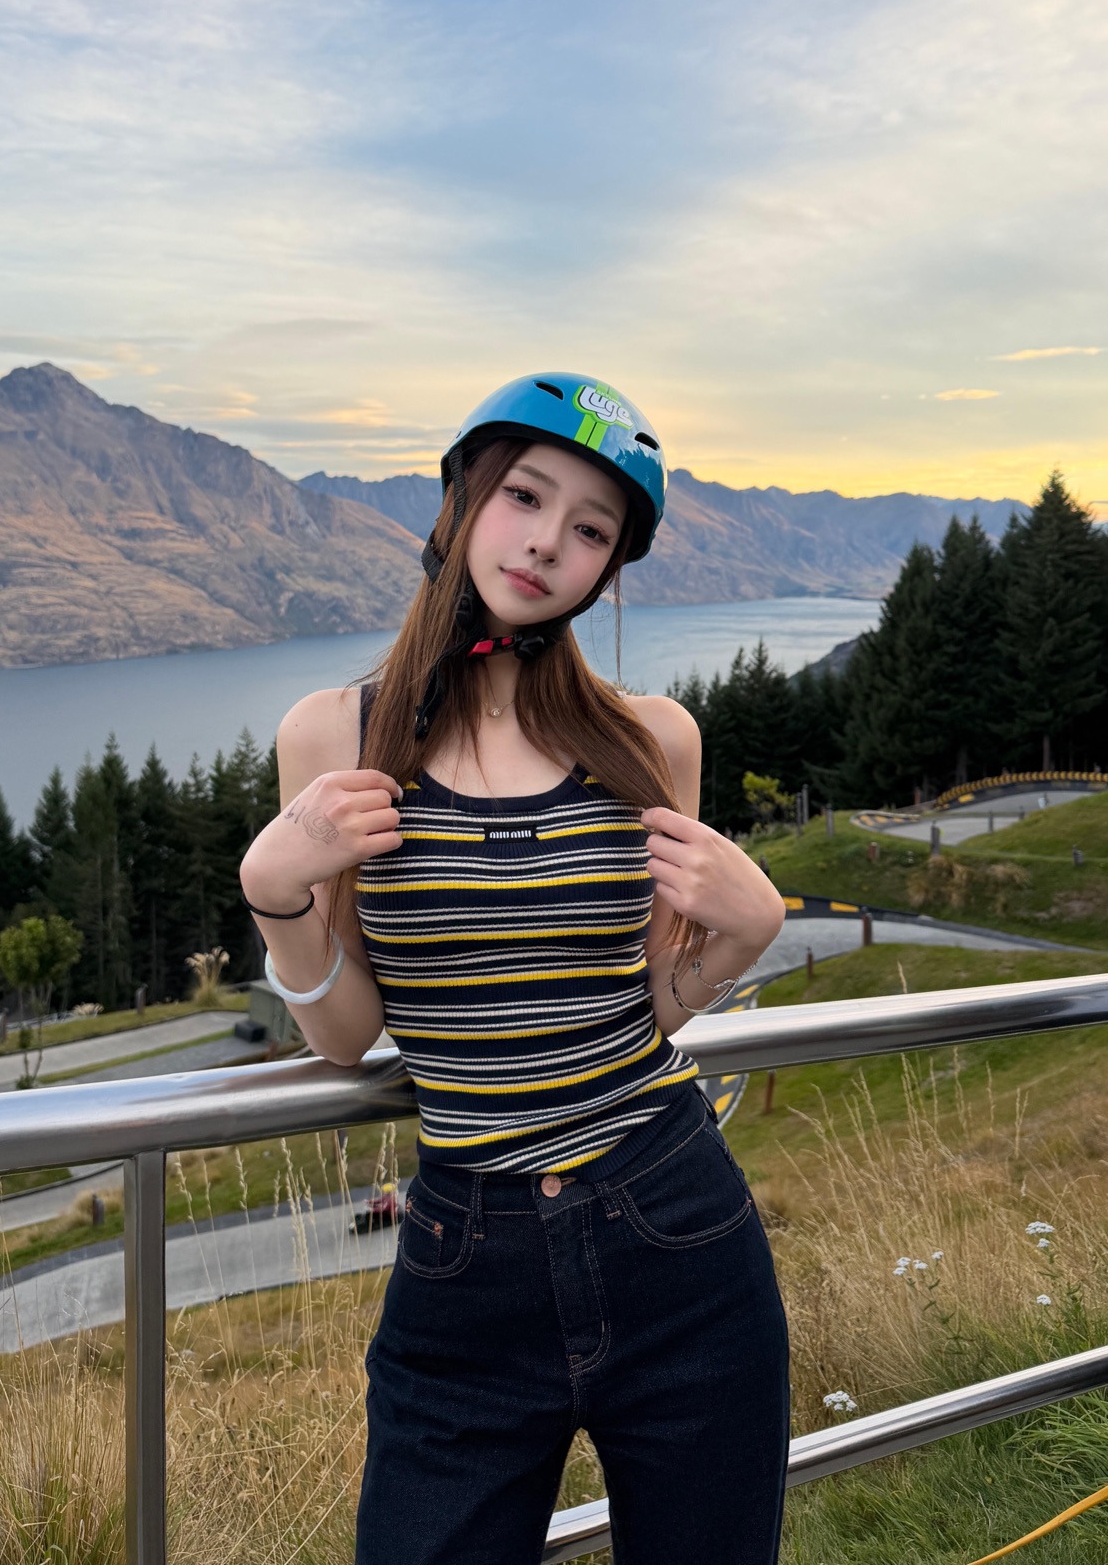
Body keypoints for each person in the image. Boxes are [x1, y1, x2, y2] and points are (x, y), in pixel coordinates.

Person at [239, 372, 791, 1565]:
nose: (547, 542)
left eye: (590, 528)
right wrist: (276, 895)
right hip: (466, 1261)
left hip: (678, 1227)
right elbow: (344, 1035)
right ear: (461, 500)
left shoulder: (652, 741)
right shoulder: (334, 734)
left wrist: (744, 939)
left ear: (609, 567)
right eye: (525, 497)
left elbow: (649, 1007)